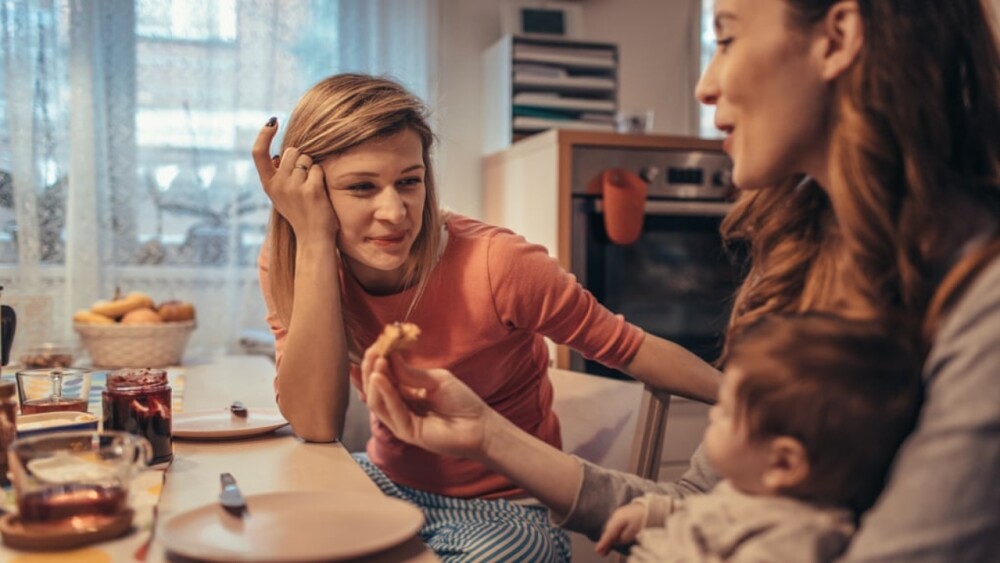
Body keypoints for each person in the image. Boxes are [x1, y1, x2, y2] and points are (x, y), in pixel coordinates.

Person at [361, 0, 1000, 560]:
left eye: (725, 38)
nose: (704, 86)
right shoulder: (802, 266)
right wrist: (487, 435)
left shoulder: (982, 307)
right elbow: (697, 502)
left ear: (837, 38)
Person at [250, 73, 721, 562]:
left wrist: (744, 399)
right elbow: (316, 423)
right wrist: (313, 243)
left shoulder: (499, 264)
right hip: (384, 482)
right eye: (362, 187)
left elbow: (630, 348)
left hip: (508, 509)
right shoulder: (292, 263)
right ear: (307, 191)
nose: (395, 212)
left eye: (409, 181)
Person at [595, 313, 922, 561]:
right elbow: (712, 516)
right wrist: (655, 515)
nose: (713, 414)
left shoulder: (792, 542)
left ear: (782, 462)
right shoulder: (753, 493)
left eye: (727, 412)